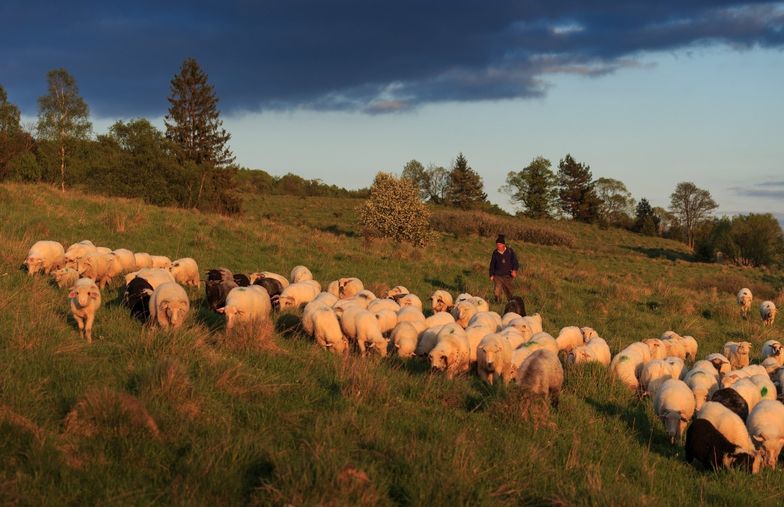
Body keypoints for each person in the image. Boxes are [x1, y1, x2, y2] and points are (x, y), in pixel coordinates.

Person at [489, 234, 519, 304]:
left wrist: (514, 270)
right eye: (497, 244)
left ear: (503, 245)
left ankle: (511, 303)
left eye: (499, 244)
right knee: (497, 289)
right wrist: (491, 274)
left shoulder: (510, 251)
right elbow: (492, 264)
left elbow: (515, 262)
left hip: (508, 275)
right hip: (497, 275)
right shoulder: (495, 253)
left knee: (509, 291)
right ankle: (497, 303)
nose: (498, 246)